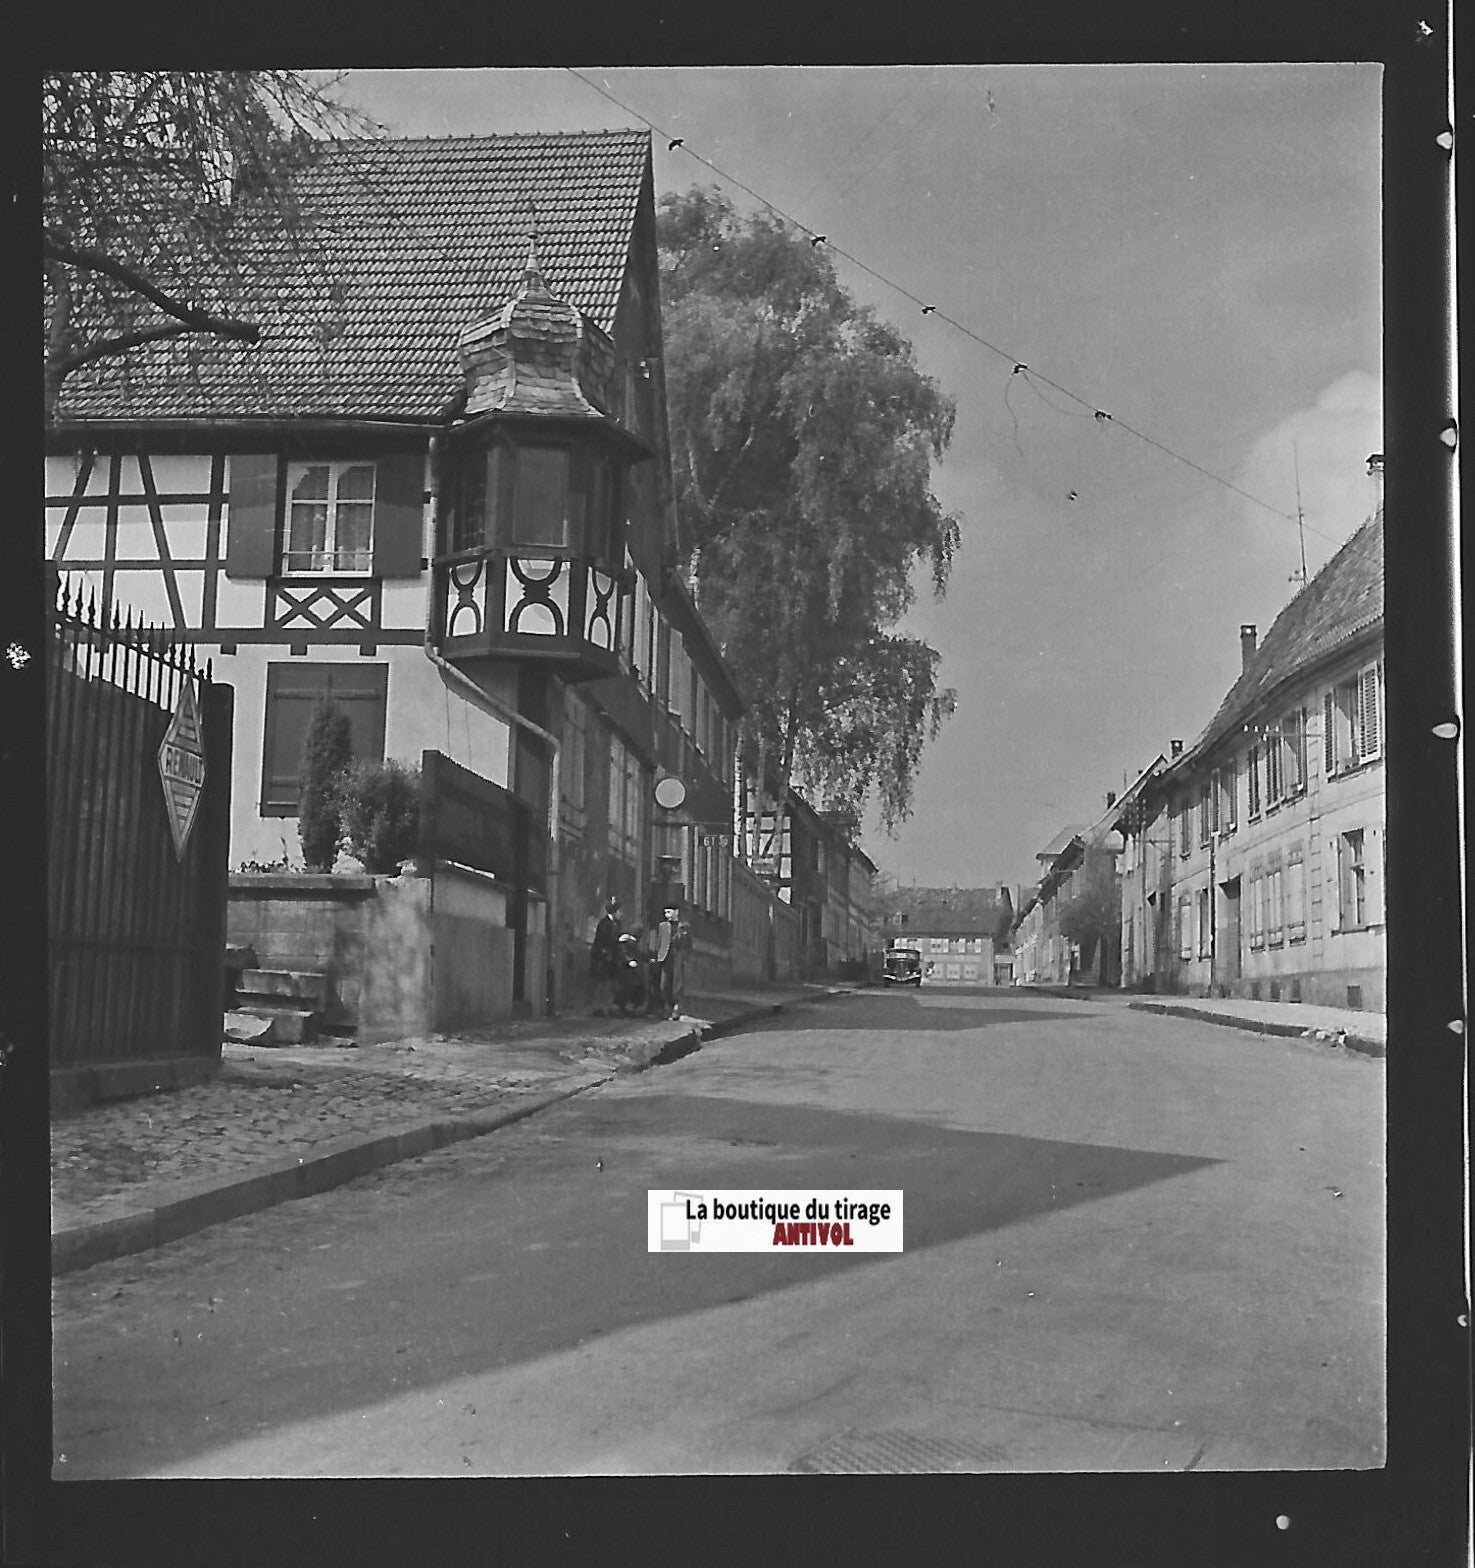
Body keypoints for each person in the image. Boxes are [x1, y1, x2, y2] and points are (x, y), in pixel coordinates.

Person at [589, 895, 621, 1016]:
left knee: (610, 983)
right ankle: (600, 1007)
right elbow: (603, 941)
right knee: (603, 983)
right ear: (614, 911)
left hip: (611, 958)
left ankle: (608, 1006)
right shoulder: (605, 924)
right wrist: (618, 940)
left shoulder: (616, 923)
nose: (621, 913)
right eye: (619, 911)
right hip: (604, 958)